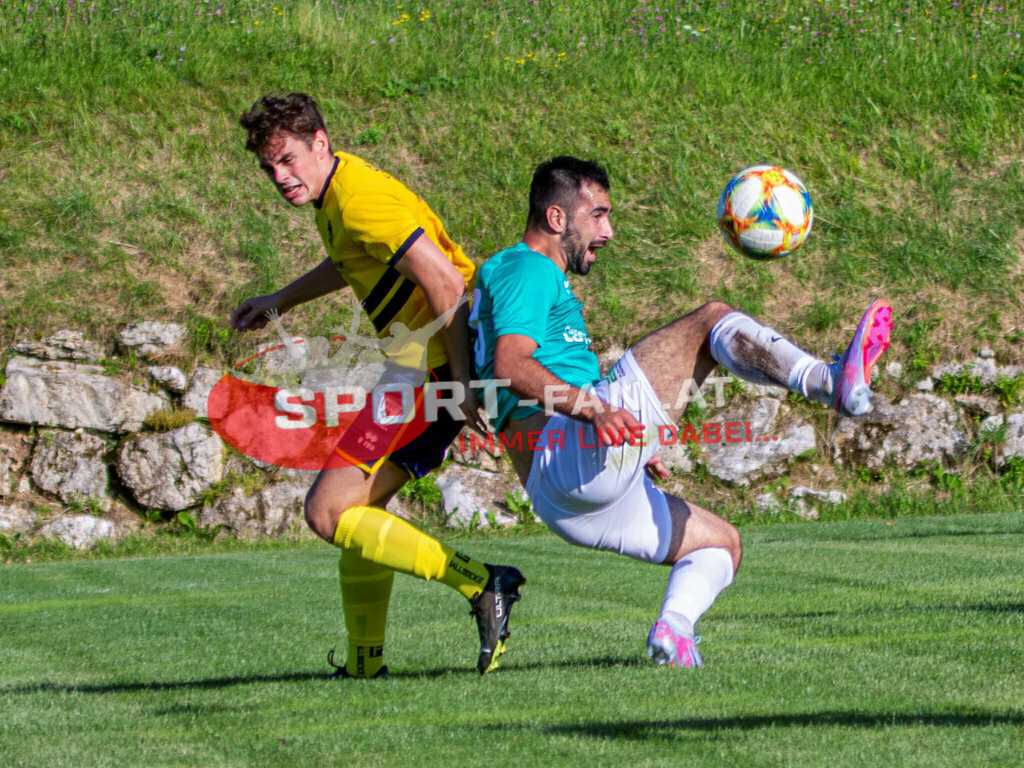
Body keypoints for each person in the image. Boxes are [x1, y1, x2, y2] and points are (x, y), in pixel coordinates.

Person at [470, 156, 892, 668]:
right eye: (598, 215)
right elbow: (511, 364)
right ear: (557, 218)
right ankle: (828, 381)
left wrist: (625, 448)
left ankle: (673, 634)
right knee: (710, 322)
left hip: (560, 499)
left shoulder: (505, 273)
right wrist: (596, 413)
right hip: (567, 450)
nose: (608, 231)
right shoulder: (528, 268)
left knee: (720, 546)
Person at [230, 93, 524, 677]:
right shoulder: (338, 192)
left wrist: (459, 384)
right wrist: (280, 300)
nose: (280, 177)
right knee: (358, 511)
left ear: (320, 142)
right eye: (268, 168)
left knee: (328, 512)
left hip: (429, 370)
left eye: (287, 160)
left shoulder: (359, 199)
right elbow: (351, 258)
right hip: (414, 367)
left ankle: (482, 583)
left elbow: (446, 284)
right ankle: (365, 664)